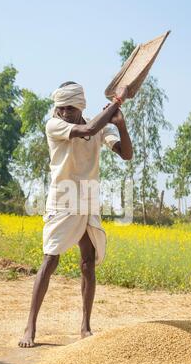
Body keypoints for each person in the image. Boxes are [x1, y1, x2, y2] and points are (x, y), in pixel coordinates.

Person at [18, 82, 133, 347]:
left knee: (87, 263)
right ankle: (30, 328)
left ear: (80, 106)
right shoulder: (54, 125)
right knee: (50, 260)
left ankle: (85, 327)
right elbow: (88, 129)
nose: (64, 112)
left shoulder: (99, 127)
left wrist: (120, 123)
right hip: (62, 200)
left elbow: (126, 154)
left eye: (70, 107)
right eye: (61, 108)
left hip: (88, 201)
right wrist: (119, 100)